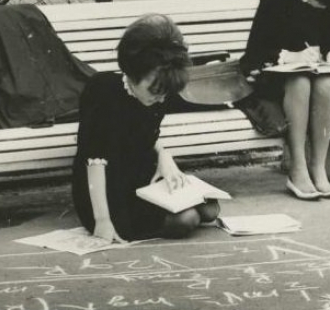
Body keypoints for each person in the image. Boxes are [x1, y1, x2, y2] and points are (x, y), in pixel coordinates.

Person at [71, 14, 219, 242]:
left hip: (143, 177)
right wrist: (102, 221)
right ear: (132, 73)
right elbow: (94, 160)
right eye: (154, 90)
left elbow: (146, 134)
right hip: (107, 188)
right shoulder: (102, 90)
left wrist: (164, 156)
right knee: (186, 220)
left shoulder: (159, 91)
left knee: (211, 209)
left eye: (164, 93)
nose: (160, 100)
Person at [239, 0, 330, 201]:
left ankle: (318, 168)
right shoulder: (275, 2)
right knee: (300, 81)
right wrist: (289, 56)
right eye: (318, 1)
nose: (323, 7)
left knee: (325, 83)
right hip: (271, 84)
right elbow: (253, 55)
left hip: (315, 78)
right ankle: (298, 169)